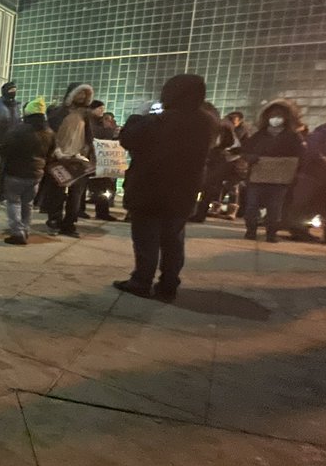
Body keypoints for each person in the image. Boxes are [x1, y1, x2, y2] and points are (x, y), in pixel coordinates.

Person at [113, 75, 217, 300]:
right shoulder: (205, 123)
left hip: (150, 190)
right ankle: (169, 283)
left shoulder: (161, 121)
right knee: (173, 241)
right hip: (182, 193)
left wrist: (137, 116)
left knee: (146, 240)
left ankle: (141, 281)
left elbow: (128, 138)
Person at [240, 99, 305, 242]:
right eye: (273, 115)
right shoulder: (259, 135)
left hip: (280, 179)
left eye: (279, 115)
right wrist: (251, 158)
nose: (275, 119)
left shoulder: (292, 137)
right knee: (252, 205)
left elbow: (300, 156)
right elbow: (245, 151)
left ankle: (271, 233)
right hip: (257, 176)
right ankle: (251, 230)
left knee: (274, 208)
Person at [0, 97, 56, 245]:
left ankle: (18, 232)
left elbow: (5, 149)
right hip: (36, 173)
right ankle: (26, 229)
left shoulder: (18, 130)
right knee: (28, 203)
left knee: (13, 202)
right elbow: (51, 153)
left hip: (15, 172)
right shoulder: (49, 132)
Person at [43, 83, 95, 237]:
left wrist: (86, 153)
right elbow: (50, 134)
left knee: (76, 195)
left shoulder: (86, 115)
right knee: (57, 192)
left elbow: (89, 137)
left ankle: (69, 223)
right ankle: (54, 220)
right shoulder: (59, 114)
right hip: (59, 158)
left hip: (78, 159)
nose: (82, 97)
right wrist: (57, 151)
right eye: (80, 94)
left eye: (85, 95)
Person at [286, 114, 326, 242]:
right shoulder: (318, 135)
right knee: (302, 203)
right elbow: (313, 152)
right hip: (310, 175)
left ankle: (303, 229)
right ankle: (297, 229)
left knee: (314, 205)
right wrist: (325, 161)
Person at [87, 99, 118, 221]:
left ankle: (103, 211)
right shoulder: (90, 122)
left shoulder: (103, 123)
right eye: (99, 108)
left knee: (103, 186)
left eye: (103, 109)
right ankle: (84, 210)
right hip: (92, 157)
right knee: (96, 186)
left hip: (102, 158)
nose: (102, 111)